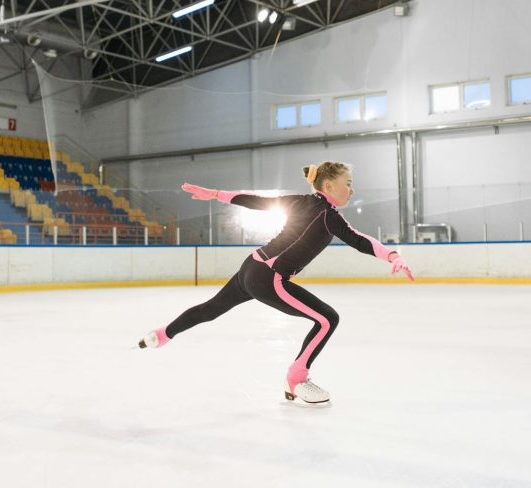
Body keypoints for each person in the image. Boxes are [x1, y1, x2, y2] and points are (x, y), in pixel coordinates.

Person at [138, 161, 414, 404]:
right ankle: (296, 379)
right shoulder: (328, 215)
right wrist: (392, 256)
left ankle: (161, 335)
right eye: (348, 184)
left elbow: (258, 201)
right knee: (327, 319)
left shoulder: (301, 201)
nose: (352, 190)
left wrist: (216, 195)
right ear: (329, 184)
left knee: (210, 309)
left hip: (253, 267)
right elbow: (360, 240)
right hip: (269, 278)